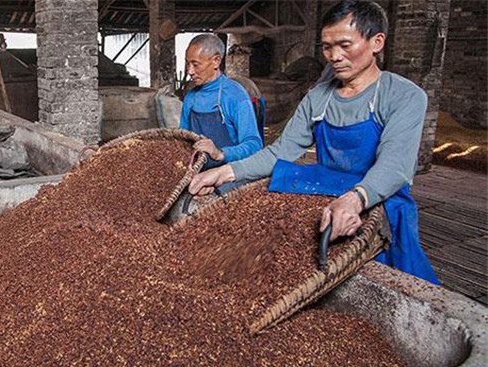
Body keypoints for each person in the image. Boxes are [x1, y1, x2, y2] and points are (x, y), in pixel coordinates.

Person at [188, 0, 439, 284]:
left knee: (389, 277)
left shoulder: (404, 96)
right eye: (327, 47)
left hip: (377, 198)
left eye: (345, 45)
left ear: (376, 42)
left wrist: (355, 199)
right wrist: (225, 172)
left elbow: (395, 166)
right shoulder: (319, 98)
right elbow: (281, 152)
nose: (334, 56)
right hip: (325, 190)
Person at [180, 34, 262, 192]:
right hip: (199, 171)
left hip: (231, 173)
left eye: (195, 65)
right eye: (188, 64)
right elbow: (183, 140)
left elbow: (254, 145)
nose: (190, 71)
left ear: (216, 61)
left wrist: (220, 153)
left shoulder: (235, 95)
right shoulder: (190, 97)